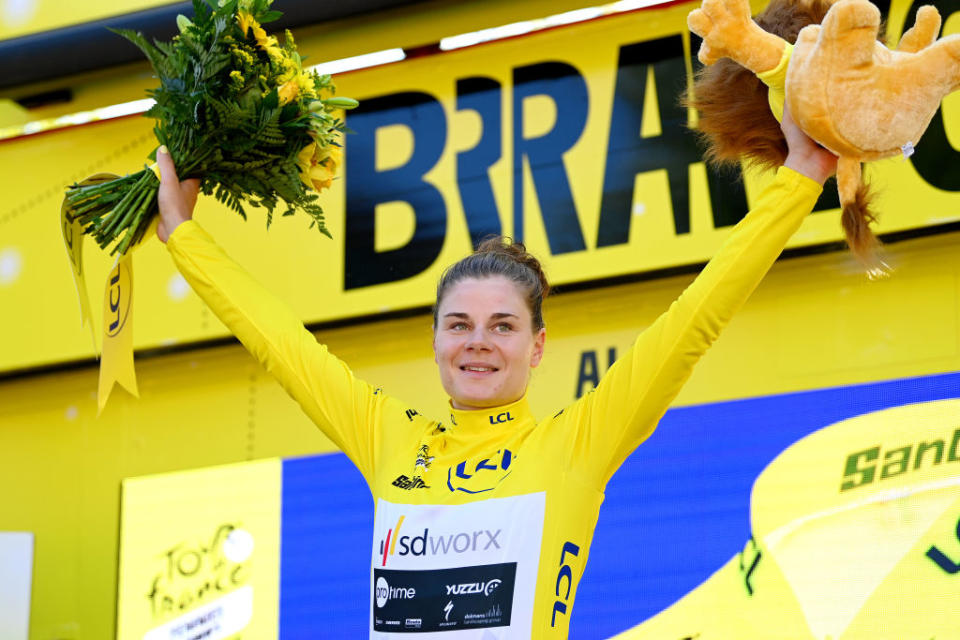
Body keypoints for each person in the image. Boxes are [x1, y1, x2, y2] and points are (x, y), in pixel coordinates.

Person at [155, 105, 836, 638]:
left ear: (538, 347)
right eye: (460, 325)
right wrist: (182, 232)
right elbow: (280, 342)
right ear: (436, 341)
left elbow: (696, 317)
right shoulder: (388, 440)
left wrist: (799, 181)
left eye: (502, 326)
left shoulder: (576, 447)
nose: (478, 343)